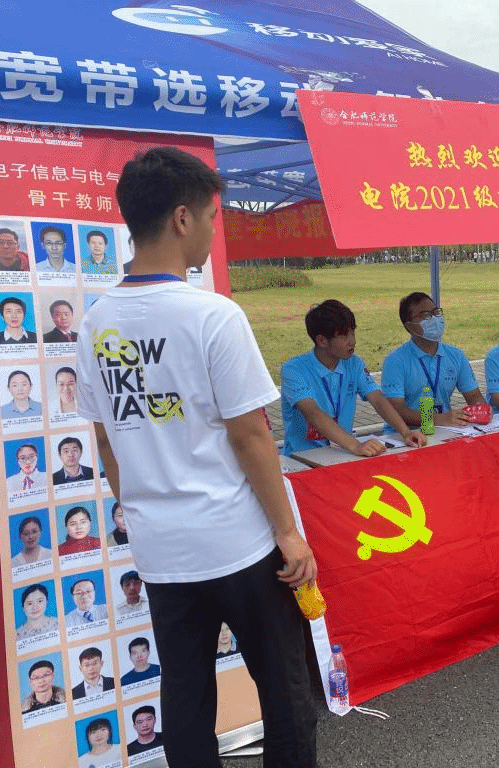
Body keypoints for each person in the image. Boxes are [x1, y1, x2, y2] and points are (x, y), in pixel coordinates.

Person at [75, 146, 318, 768]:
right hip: (239, 543)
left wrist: (142, 507)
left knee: (185, 696)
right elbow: (251, 437)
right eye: (213, 216)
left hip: (162, 549)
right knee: (285, 690)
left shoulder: (97, 322)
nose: (214, 229)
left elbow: (104, 440)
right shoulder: (212, 315)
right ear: (182, 218)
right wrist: (288, 532)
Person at [281, 299, 427, 456]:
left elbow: (377, 399)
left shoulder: (354, 363)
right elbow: (313, 413)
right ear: (322, 340)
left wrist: (405, 432)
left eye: (353, 332)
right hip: (303, 457)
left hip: (342, 452)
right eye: (344, 336)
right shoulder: (293, 369)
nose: (353, 341)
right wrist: (356, 446)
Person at [382, 291, 486, 428]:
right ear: (409, 326)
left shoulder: (456, 355)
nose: (434, 319)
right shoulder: (395, 361)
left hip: (445, 429)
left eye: (436, 312)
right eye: (425, 315)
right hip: (406, 433)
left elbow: (473, 396)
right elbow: (396, 411)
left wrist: (483, 411)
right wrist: (438, 419)